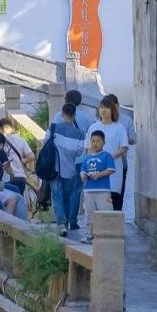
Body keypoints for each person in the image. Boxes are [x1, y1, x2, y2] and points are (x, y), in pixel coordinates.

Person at [85, 94, 131, 213]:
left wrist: (109, 157)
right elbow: (88, 148)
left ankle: (114, 229)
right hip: (96, 170)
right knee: (96, 204)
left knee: (113, 200)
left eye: (106, 107)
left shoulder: (119, 128)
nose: (103, 110)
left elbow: (124, 147)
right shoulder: (93, 127)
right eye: (101, 107)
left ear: (113, 110)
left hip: (114, 170)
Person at [50, 101, 85, 235]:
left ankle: (62, 224)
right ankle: (71, 220)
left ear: (62, 113)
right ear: (74, 115)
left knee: (58, 196)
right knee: (70, 195)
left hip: (55, 168)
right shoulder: (80, 133)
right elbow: (79, 152)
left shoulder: (54, 128)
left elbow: (46, 143)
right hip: (70, 168)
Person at [78, 129, 115, 237]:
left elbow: (111, 170)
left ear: (104, 142)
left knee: (105, 212)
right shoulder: (87, 158)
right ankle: (89, 234)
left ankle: (107, 233)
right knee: (89, 213)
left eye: (98, 141)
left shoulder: (106, 156)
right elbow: (82, 171)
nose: (95, 144)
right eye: (93, 141)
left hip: (103, 190)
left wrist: (99, 175)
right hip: (89, 191)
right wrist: (83, 176)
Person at [0, 117, 33, 200]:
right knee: (18, 203)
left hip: (5, 179)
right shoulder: (21, 140)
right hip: (20, 178)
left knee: (7, 205)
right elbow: (31, 156)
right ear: (11, 128)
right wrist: (24, 160)